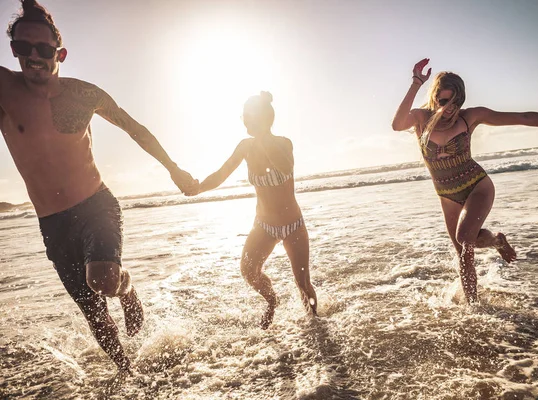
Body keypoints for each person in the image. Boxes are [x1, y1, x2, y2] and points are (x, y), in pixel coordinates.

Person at [0, 0, 197, 376]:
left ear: (61, 54)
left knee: (103, 280)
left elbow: (134, 128)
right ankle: (128, 374)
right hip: (53, 224)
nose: (33, 57)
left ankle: (127, 289)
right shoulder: (5, 89)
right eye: (22, 48)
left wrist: (174, 169)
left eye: (43, 49)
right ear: (13, 51)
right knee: (93, 313)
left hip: (95, 205)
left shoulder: (84, 94)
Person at [392, 58, 538, 304]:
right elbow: (396, 125)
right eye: (444, 101)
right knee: (463, 249)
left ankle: (474, 308)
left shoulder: (471, 117)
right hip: (447, 196)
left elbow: (525, 117)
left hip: (476, 186)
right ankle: (495, 243)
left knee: (464, 239)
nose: (449, 108)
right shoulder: (420, 118)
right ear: (435, 97)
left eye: (455, 101)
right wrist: (416, 83)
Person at [190, 91, 317, 329]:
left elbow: (284, 165)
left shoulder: (284, 144)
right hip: (264, 225)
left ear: (263, 118)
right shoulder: (245, 147)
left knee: (303, 283)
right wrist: (198, 188)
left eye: (248, 116)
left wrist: (262, 137)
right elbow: (221, 174)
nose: (244, 121)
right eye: (243, 117)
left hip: (293, 226)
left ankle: (316, 325)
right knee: (248, 270)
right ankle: (272, 300)